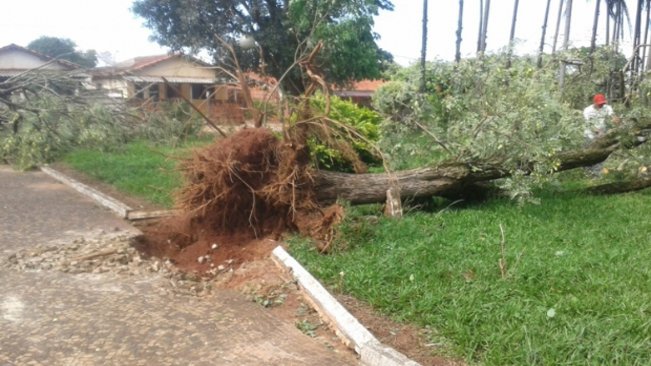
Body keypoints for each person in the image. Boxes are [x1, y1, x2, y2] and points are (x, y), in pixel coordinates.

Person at [583, 93, 619, 176]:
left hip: (601, 135)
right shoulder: (587, 110)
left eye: (603, 103)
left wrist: (615, 120)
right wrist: (599, 132)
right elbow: (589, 124)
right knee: (589, 154)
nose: (601, 105)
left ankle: (597, 174)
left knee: (600, 154)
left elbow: (612, 115)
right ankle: (588, 173)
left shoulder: (607, 108)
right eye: (600, 104)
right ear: (594, 103)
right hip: (589, 136)